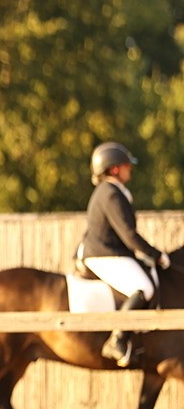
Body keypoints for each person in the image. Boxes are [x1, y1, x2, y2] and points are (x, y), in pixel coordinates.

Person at [80, 141, 170, 367]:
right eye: (127, 165)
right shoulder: (110, 193)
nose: (131, 168)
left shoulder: (113, 191)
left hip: (113, 252)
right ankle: (117, 340)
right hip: (105, 254)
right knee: (144, 289)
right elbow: (129, 234)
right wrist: (157, 255)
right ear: (115, 169)